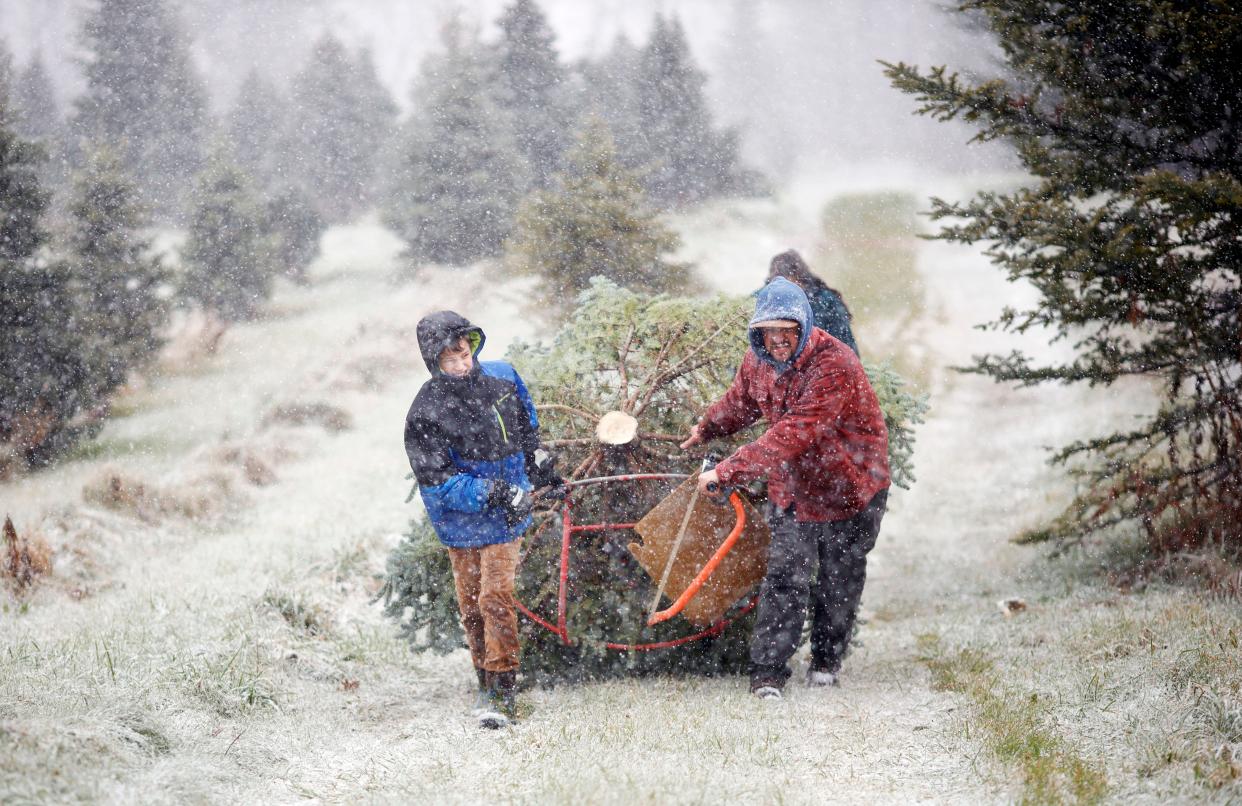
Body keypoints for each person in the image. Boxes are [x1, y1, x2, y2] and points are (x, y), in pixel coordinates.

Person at [680, 277, 889, 699]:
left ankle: (827, 662)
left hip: (850, 485)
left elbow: (795, 432)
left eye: (786, 331)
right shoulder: (757, 362)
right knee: (784, 575)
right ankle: (768, 675)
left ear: (804, 327)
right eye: (768, 331)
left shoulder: (834, 364)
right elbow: (740, 401)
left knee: (839, 578)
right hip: (793, 487)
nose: (777, 341)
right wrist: (708, 427)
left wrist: (728, 470)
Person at [404, 310, 563, 729]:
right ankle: (484, 678)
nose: (462, 363)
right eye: (450, 358)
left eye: (464, 352)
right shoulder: (426, 411)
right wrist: (494, 492)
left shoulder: (504, 378)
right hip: (461, 521)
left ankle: (503, 690)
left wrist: (541, 469)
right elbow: (438, 482)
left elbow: (528, 433)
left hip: (506, 518)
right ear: (433, 362)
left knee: (495, 598)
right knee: (472, 607)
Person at [767, 248, 859, 356]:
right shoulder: (764, 297)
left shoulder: (827, 301)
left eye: (789, 282)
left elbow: (846, 347)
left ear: (800, 278)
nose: (784, 290)